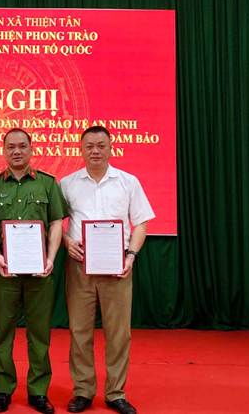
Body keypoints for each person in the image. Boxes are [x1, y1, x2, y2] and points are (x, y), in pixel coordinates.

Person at [0, 128, 67, 414]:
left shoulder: (48, 183)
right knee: (3, 332)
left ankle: (38, 392)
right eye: (11, 146)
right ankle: (2, 390)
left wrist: (51, 258)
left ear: (31, 149)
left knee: (39, 334)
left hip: (40, 272)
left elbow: (57, 222)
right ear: (3, 150)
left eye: (22, 146)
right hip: (4, 271)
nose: (17, 151)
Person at [60, 126, 154, 414]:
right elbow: (55, 224)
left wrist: (131, 256)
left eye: (101, 145)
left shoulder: (128, 182)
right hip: (80, 267)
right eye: (89, 146)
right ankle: (83, 391)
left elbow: (141, 223)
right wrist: (66, 242)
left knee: (119, 333)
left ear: (111, 148)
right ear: (81, 149)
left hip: (118, 267)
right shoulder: (67, 183)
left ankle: (116, 393)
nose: (95, 151)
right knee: (79, 331)